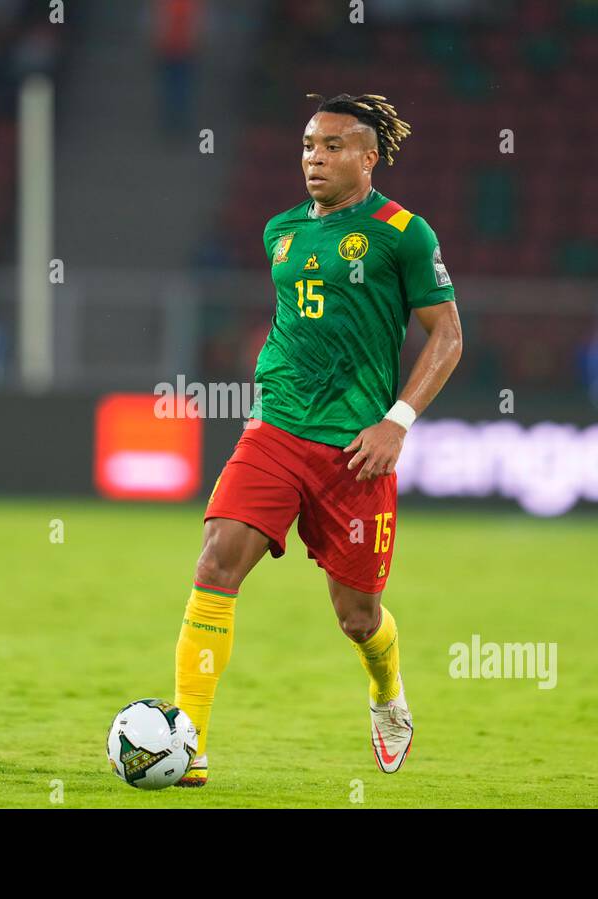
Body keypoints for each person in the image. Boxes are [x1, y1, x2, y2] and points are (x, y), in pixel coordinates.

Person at [172, 93, 463, 786]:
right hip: (276, 430)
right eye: (308, 145)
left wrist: (397, 420)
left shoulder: (404, 232)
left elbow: (447, 336)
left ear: (369, 157)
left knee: (357, 617)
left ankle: (387, 693)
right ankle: (187, 747)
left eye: (333, 146)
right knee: (216, 561)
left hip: (355, 451)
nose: (315, 157)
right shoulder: (280, 231)